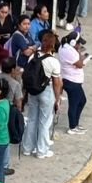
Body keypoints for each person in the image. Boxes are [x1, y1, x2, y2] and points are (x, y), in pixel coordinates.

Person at [21, 31, 63, 159]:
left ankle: (27, 148)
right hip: (47, 91)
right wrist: (57, 99)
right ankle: (42, 150)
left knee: (32, 119)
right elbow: (56, 83)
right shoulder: (53, 62)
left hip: (33, 91)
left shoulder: (33, 56)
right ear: (52, 45)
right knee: (44, 122)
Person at [58, 31, 89, 135]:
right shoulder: (69, 51)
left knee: (82, 101)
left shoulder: (65, 47)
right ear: (73, 43)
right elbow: (79, 64)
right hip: (72, 81)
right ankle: (72, 127)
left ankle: (75, 124)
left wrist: (78, 51)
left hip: (71, 79)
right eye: (78, 43)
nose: (79, 45)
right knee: (74, 104)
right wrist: (83, 56)